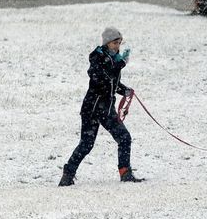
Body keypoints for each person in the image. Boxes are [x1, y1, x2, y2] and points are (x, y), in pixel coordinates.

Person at [59, 27, 144, 186]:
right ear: (106, 43)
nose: (117, 46)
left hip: (102, 107)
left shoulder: (114, 59)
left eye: (119, 43)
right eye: (114, 43)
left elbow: (113, 83)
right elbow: (101, 80)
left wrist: (125, 90)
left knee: (112, 140)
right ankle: (69, 174)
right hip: (95, 107)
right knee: (97, 142)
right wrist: (119, 65)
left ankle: (123, 172)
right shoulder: (97, 57)